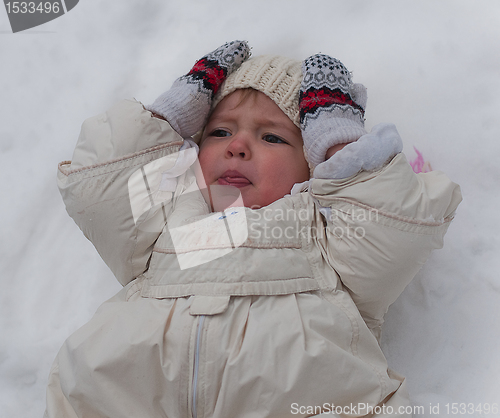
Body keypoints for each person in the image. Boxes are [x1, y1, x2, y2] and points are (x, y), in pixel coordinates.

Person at [44, 41, 462, 418]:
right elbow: (97, 191)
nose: (237, 146)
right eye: (220, 131)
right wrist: (165, 117)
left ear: (313, 163)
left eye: (272, 138)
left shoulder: (324, 234)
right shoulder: (165, 217)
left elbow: (390, 229)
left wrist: (339, 145)